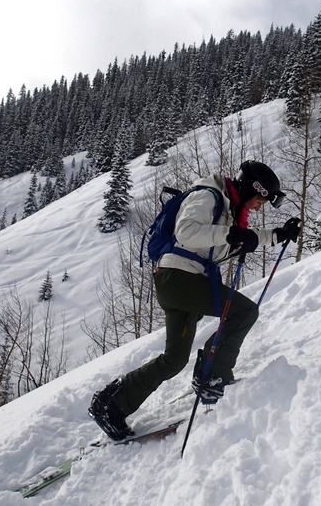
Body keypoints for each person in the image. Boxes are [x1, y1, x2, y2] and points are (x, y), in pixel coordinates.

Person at [88, 160, 301, 440]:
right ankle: (212, 376)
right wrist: (232, 233)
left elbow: (236, 239)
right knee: (244, 312)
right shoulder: (207, 195)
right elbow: (187, 232)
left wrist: (277, 235)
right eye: (260, 199)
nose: (259, 206)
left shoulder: (227, 209)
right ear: (252, 188)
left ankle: (110, 405)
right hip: (179, 278)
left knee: (174, 360)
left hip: (178, 280)